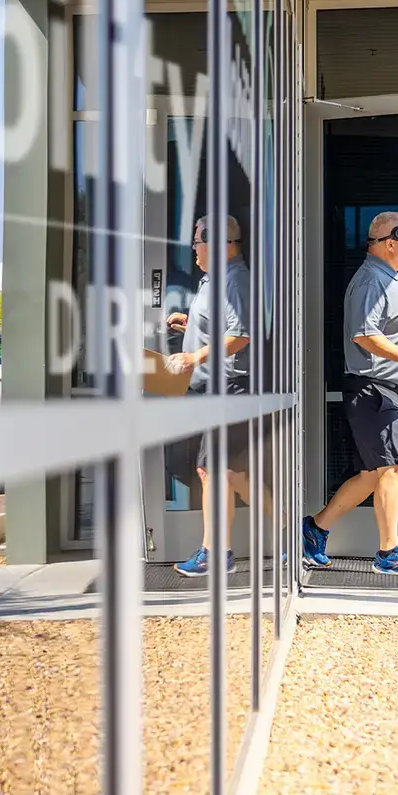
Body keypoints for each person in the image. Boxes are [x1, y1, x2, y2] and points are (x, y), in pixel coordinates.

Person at [301, 211, 398, 576]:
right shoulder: (371, 281)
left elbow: (383, 330)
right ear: (390, 241)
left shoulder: (390, 278)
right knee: (393, 468)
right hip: (375, 391)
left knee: (371, 473)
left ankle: (313, 530)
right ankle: (389, 552)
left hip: (383, 392)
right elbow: (364, 334)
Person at [164, 214, 263, 577]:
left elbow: (241, 335)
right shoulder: (215, 280)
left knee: (213, 472)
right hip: (214, 390)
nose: (194, 250)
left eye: (197, 242)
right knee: (228, 474)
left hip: (227, 388)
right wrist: (191, 325)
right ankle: (288, 532)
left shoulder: (236, 280)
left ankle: (215, 553)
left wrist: (194, 357)